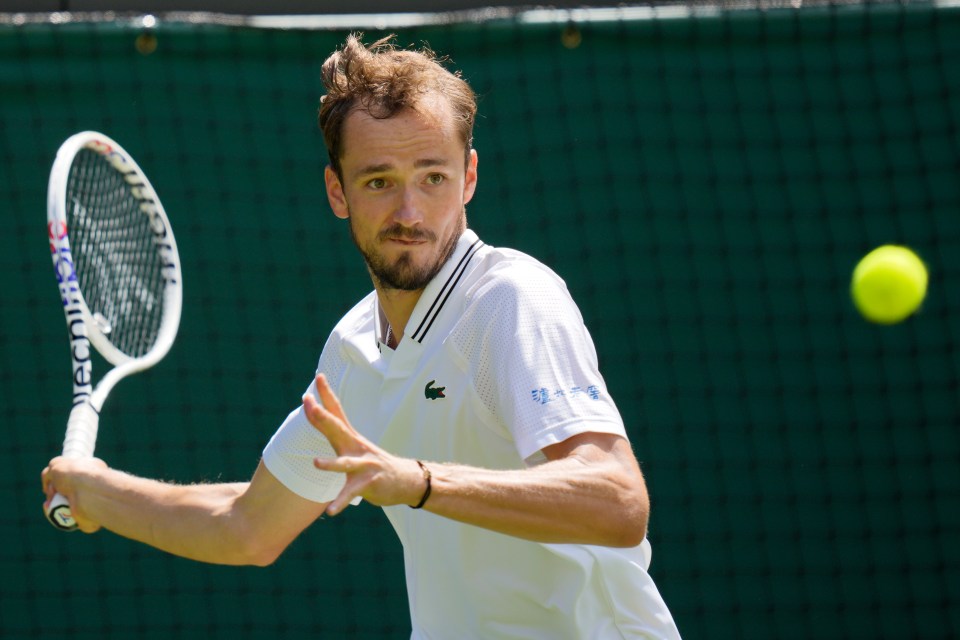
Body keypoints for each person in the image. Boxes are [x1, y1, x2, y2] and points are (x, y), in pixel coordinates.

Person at [42, 34, 681, 639]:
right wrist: (96, 491)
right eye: (379, 181)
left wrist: (417, 482)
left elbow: (617, 501)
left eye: (433, 177)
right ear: (337, 191)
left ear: (469, 178)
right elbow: (246, 526)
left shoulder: (511, 300)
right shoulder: (353, 352)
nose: (409, 213)